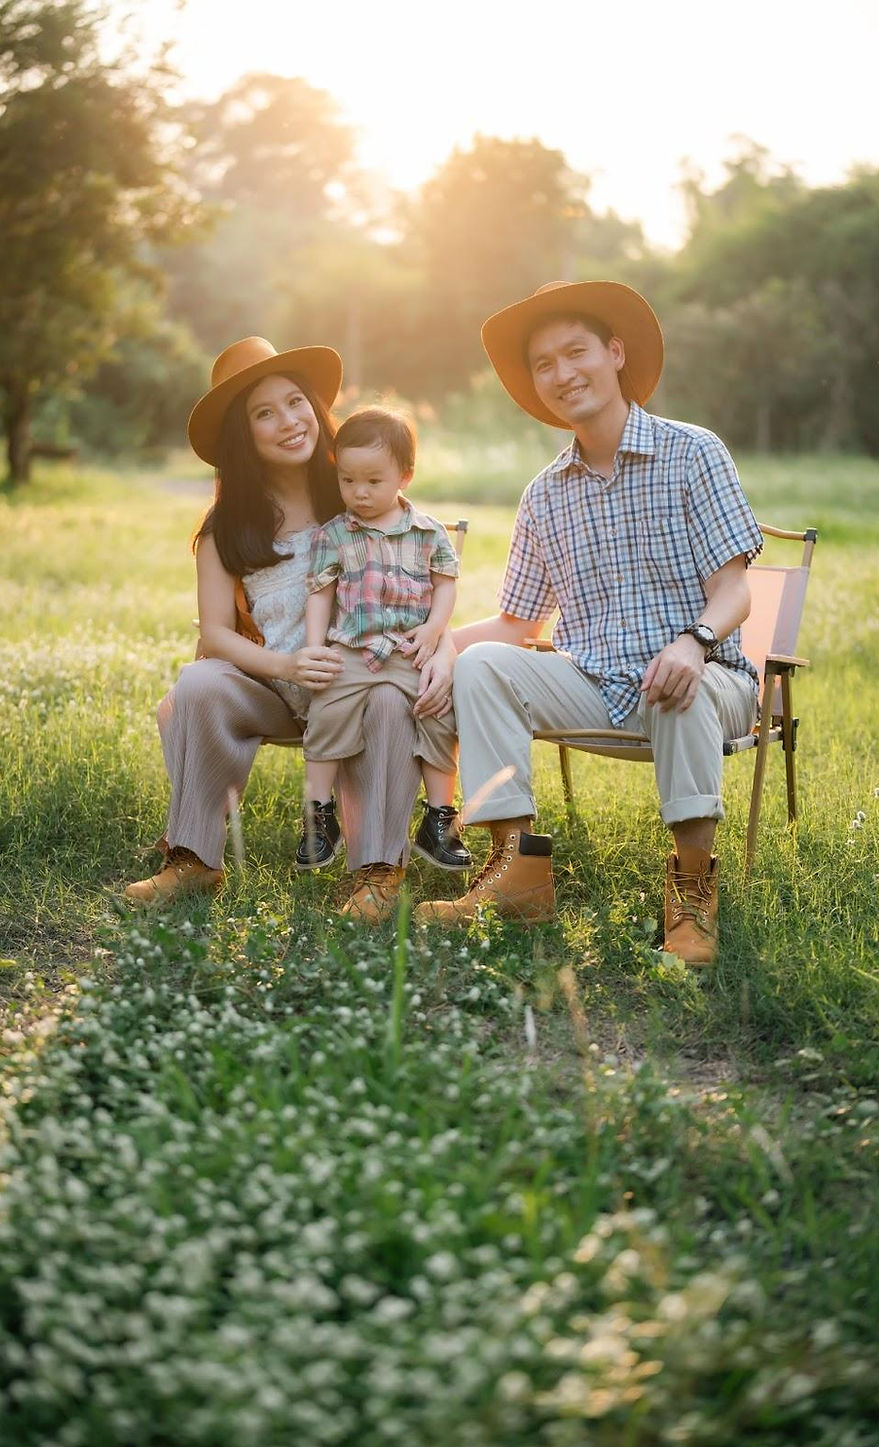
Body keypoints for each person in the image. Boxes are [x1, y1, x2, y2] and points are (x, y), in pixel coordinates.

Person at [415, 281, 762, 965]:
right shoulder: (544, 493)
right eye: (543, 364)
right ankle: (517, 870)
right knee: (482, 664)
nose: (562, 373)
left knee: (677, 682)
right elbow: (516, 626)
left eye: (575, 352)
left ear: (615, 352)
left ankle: (691, 891)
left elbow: (735, 591)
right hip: (594, 684)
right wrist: (427, 648)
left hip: (707, 679)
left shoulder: (694, 452)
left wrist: (694, 643)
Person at [123, 337, 453, 913]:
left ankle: (377, 870)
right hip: (276, 688)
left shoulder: (360, 492)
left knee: (387, 699)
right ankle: (194, 859)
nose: (289, 421)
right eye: (264, 413)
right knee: (197, 683)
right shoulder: (228, 528)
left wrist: (443, 649)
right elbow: (215, 635)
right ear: (243, 436)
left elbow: (422, 590)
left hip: (361, 680)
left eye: (296, 401)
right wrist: (285, 664)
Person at [298, 408, 471, 905]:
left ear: (405, 476)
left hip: (410, 649)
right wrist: (315, 646)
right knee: (326, 709)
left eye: (374, 480)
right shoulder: (335, 534)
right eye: (348, 479)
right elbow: (320, 592)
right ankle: (318, 816)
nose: (360, 492)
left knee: (438, 711)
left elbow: (445, 587)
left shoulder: (427, 531)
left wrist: (435, 632)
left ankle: (440, 819)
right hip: (352, 648)